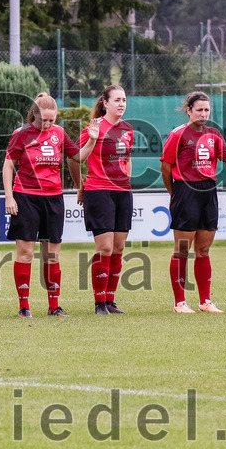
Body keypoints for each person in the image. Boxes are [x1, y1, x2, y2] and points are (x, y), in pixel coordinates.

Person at [161, 91, 226, 314]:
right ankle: (180, 303)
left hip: (208, 192)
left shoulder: (213, 134)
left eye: (207, 110)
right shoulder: (178, 134)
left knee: (203, 249)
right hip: (185, 191)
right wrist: (175, 192)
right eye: (199, 110)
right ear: (189, 110)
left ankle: (205, 301)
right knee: (183, 249)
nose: (204, 114)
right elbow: (165, 167)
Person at [3, 93, 89, 318]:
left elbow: (78, 157)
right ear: (34, 114)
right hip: (25, 197)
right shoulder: (21, 134)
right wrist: (9, 197)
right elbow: (8, 166)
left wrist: (93, 140)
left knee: (52, 255)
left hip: (53, 198)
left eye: (52, 120)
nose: (48, 124)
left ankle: (54, 306)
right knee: (26, 253)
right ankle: (24, 307)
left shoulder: (59, 133)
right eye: (44, 120)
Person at [78, 85, 133, 315]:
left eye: (124, 100)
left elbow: (127, 160)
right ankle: (99, 303)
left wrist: (126, 181)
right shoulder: (93, 127)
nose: (121, 104)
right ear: (105, 103)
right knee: (105, 248)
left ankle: (110, 301)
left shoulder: (128, 129)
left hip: (122, 192)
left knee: (119, 247)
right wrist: (92, 140)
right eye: (117, 100)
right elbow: (77, 158)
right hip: (98, 190)